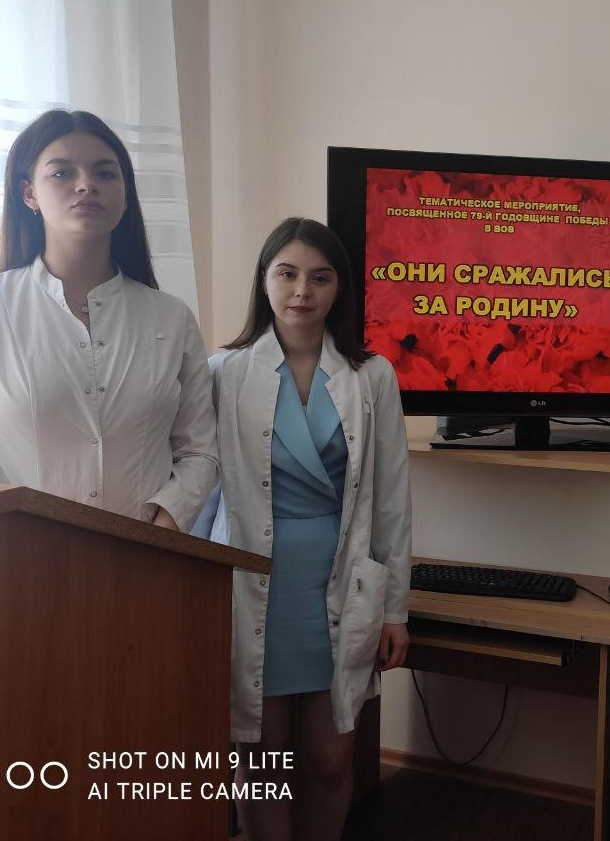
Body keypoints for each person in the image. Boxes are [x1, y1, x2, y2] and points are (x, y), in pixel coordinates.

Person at [208, 217, 411, 841]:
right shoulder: (223, 372)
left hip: (340, 580)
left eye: (321, 277)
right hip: (251, 581)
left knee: (330, 759)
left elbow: (392, 501)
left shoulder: (372, 376)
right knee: (260, 761)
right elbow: (198, 485)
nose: (303, 291)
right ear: (263, 281)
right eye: (288, 274)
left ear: (339, 288)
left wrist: (395, 610)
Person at [0, 109, 216, 530]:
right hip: (18, 557)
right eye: (62, 173)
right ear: (29, 194)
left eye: (105, 173)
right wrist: (21, 540)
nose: (86, 185)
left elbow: (199, 451)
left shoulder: (171, 318)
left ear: (125, 196)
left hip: (146, 557)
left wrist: (163, 526)